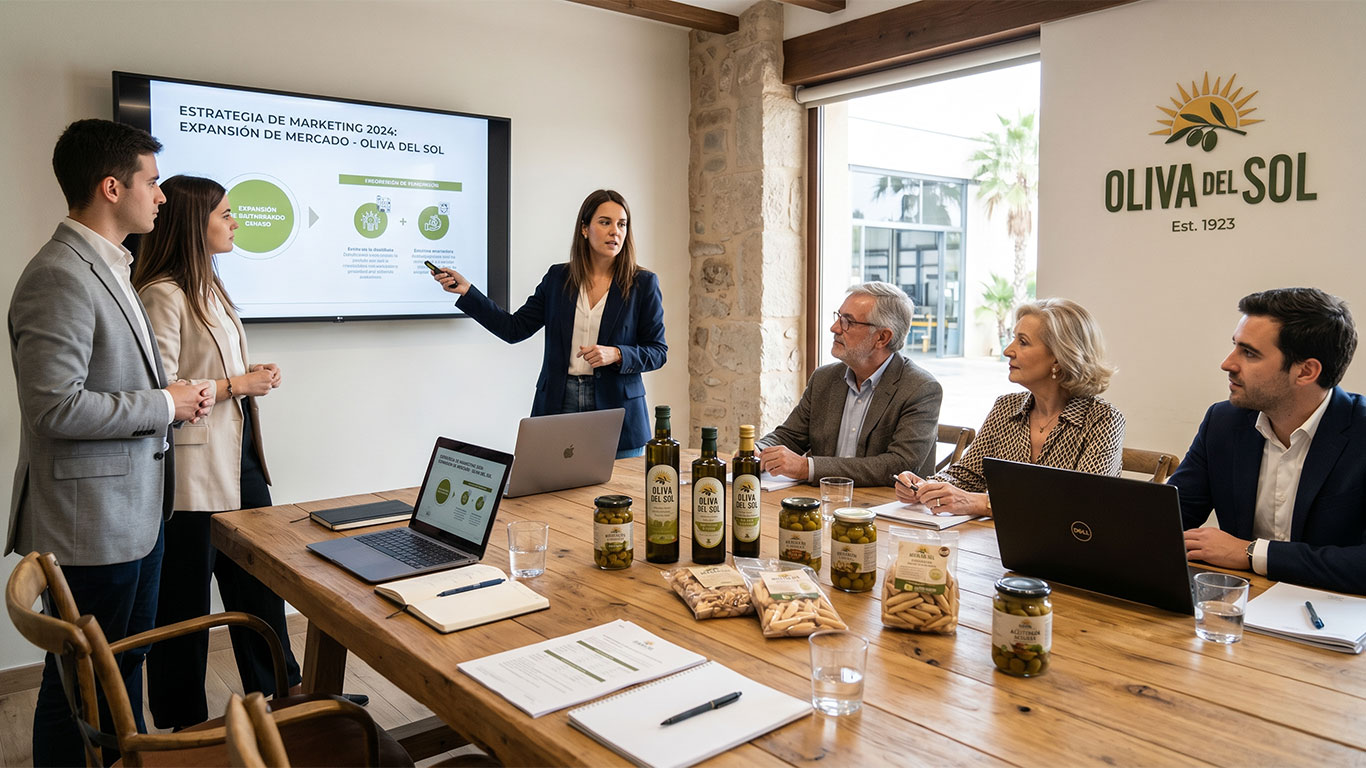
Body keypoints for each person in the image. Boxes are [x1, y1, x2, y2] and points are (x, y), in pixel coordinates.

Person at [7, 119, 212, 766]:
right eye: (152, 183)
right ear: (110, 186)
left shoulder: (111, 267)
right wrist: (163, 403)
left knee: (118, 668)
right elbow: (53, 408)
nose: (161, 196)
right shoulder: (59, 276)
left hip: (133, 514)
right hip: (93, 523)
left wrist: (168, 398)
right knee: (81, 682)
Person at [131, 175, 304, 729]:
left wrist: (253, 375)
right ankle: (185, 724)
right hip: (192, 470)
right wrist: (238, 385)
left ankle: (285, 697)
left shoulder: (212, 285)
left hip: (242, 459)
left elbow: (215, 372)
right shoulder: (162, 292)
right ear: (193, 221)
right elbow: (163, 388)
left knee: (261, 586)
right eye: (226, 214)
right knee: (184, 599)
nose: (236, 222)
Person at [433, 189, 666, 458]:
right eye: (605, 222)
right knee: (553, 494)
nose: (615, 231)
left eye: (622, 224)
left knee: (618, 496)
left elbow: (658, 351)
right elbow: (514, 328)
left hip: (619, 411)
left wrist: (616, 353)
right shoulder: (558, 278)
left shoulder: (643, 283)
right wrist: (468, 292)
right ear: (584, 229)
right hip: (559, 400)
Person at [1172, 288, 1365, 595]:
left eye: (1249, 353)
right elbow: (1168, 517)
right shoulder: (1223, 422)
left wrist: (1251, 553)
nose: (1228, 363)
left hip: (1333, 619)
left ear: (1306, 371)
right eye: (1235, 346)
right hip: (1238, 606)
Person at [896, 298, 1125, 514]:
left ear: (1059, 356)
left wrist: (982, 504)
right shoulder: (1006, 407)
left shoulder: (1103, 420)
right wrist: (925, 487)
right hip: (994, 544)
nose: (1007, 351)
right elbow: (966, 475)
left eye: (1022, 342)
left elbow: (1083, 504)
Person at [757, 281, 941, 488]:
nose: (834, 328)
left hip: (885, 509)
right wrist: (758, 451)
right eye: (839, 317)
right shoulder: (824, 378)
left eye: (848, 322)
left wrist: (806, 467)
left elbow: (898, 464)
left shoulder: (921, 388)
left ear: (882, 337)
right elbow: (790, 435)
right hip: (822, 501)